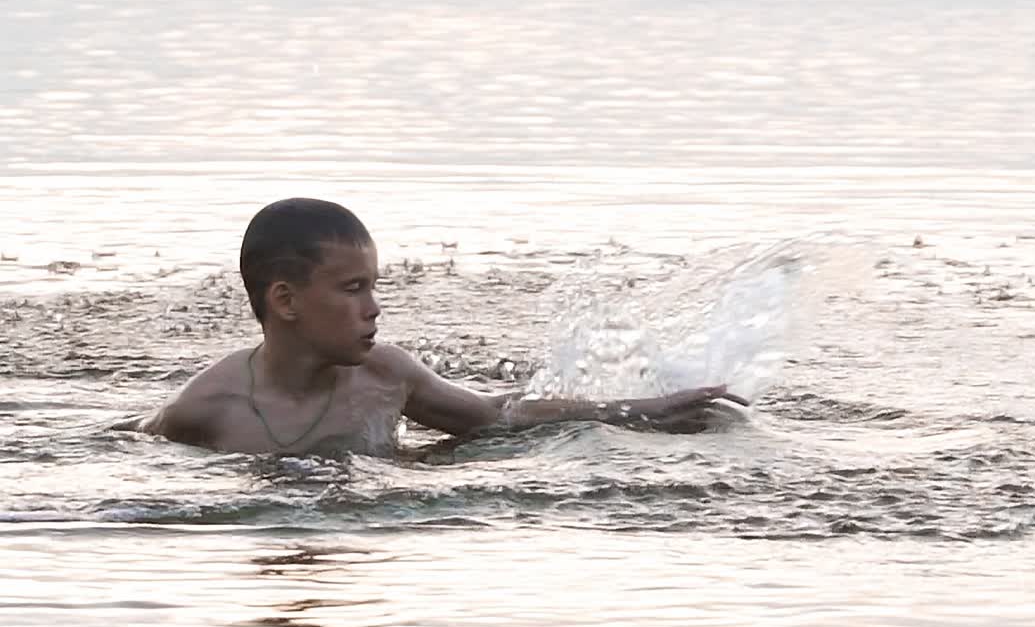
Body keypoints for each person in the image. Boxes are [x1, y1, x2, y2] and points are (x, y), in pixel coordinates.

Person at [142, 198, 743, 456]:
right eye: (352, 290)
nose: (373, 308)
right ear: (285, 300)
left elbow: (494, 415)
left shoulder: (386, 375)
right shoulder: (206, 408)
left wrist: (643, 412)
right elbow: (133, 447)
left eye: (373, 286)